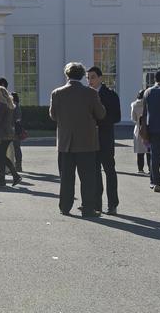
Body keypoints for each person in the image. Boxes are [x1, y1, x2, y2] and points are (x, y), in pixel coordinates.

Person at [50, 62, 106, 217]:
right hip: (87, 142)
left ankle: (65, 206)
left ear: (67, 75)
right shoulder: (91, 93)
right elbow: (101, 114)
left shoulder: (57, 93)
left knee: (66, 178)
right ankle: (88, 208)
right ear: (82, 75)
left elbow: (53, 115)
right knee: (88, 178)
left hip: (65, 142)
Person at [87, 66, 121, 215]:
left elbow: (117, 117)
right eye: (88, 77)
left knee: (109, 171)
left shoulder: (110, 94)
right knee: (94, 173)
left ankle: (112, 204)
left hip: (105, 138)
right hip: (90, 140)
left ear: (100, 78)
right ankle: (97, 204)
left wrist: (99, 121)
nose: (90, 80)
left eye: (93, 77)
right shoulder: (86, 94)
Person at [0, 86, 22, 187]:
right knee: (2, 157)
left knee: (0, 157)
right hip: (8, 134)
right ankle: (12, 177)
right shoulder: (10, 105)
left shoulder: (0, 106)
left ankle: (3, 179)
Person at [131, 90, 151, 174]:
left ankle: (140, 169)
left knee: (140, 151)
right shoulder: (148, 104)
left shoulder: (134, 104)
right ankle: (150, 169)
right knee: (149, 150)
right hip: (148, 129)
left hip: (138, 129)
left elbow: (133, 119)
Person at [11, 92, 24, 172]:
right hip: (15, 128)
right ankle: (18, 165)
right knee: (16, 148)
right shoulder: (16, 105)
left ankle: (18, 165)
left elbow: (17, 118)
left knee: (16, 148)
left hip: (14, 129)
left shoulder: (15, 106)